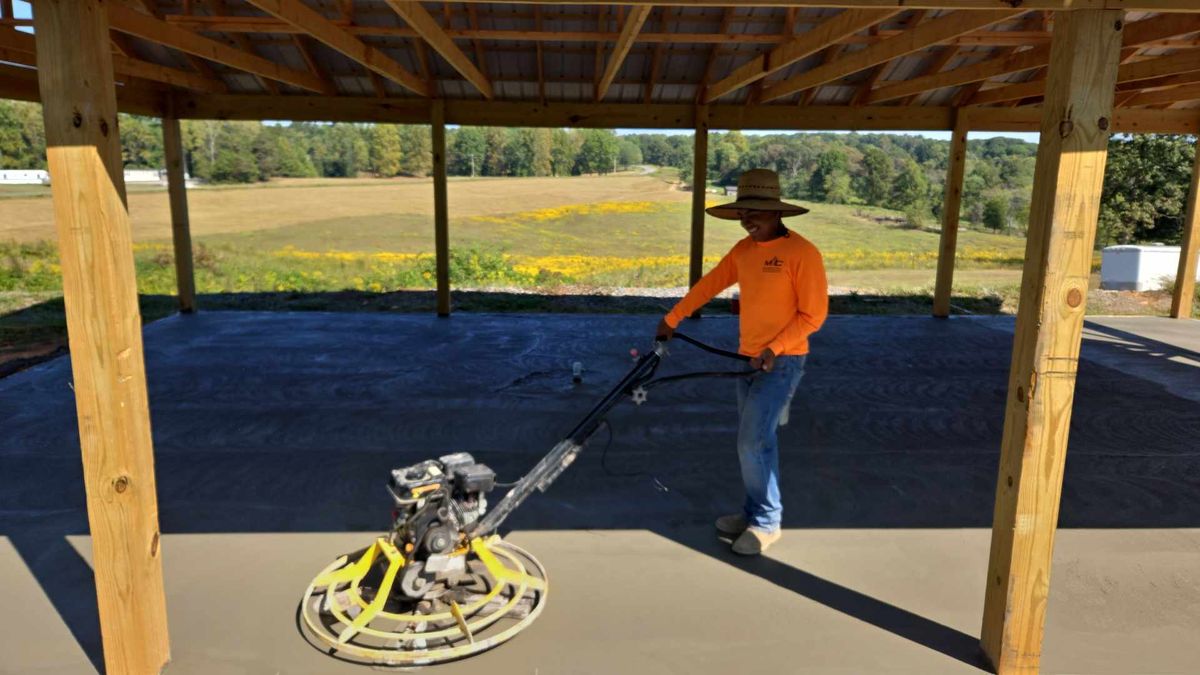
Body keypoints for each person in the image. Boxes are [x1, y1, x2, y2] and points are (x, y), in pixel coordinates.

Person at [656, 168, 828, 556]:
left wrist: (776, 348)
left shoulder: (802, 253)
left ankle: (768, 522)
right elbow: (710, 284)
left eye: (756, 211)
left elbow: (813, 315)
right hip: (746, 360)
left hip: (782, 362)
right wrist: (672, 318)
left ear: (777, 212)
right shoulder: (743, 252)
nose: (748, 219)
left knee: (753, 441)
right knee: (753, 443)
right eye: (743, 212)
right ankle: (754, 512)